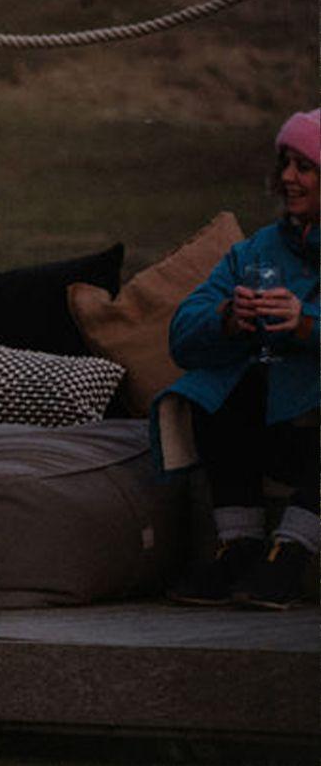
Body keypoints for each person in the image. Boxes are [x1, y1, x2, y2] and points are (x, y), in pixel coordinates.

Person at [157, 108, 319, 610]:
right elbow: (183, 334)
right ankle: (240, 544)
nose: (288, 178)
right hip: (273, 428)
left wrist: (308, 324)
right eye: (285, 163)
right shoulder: (257, 251)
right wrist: (227, 317)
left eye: (306, 166)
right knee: (213, 380)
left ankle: (292, 549)